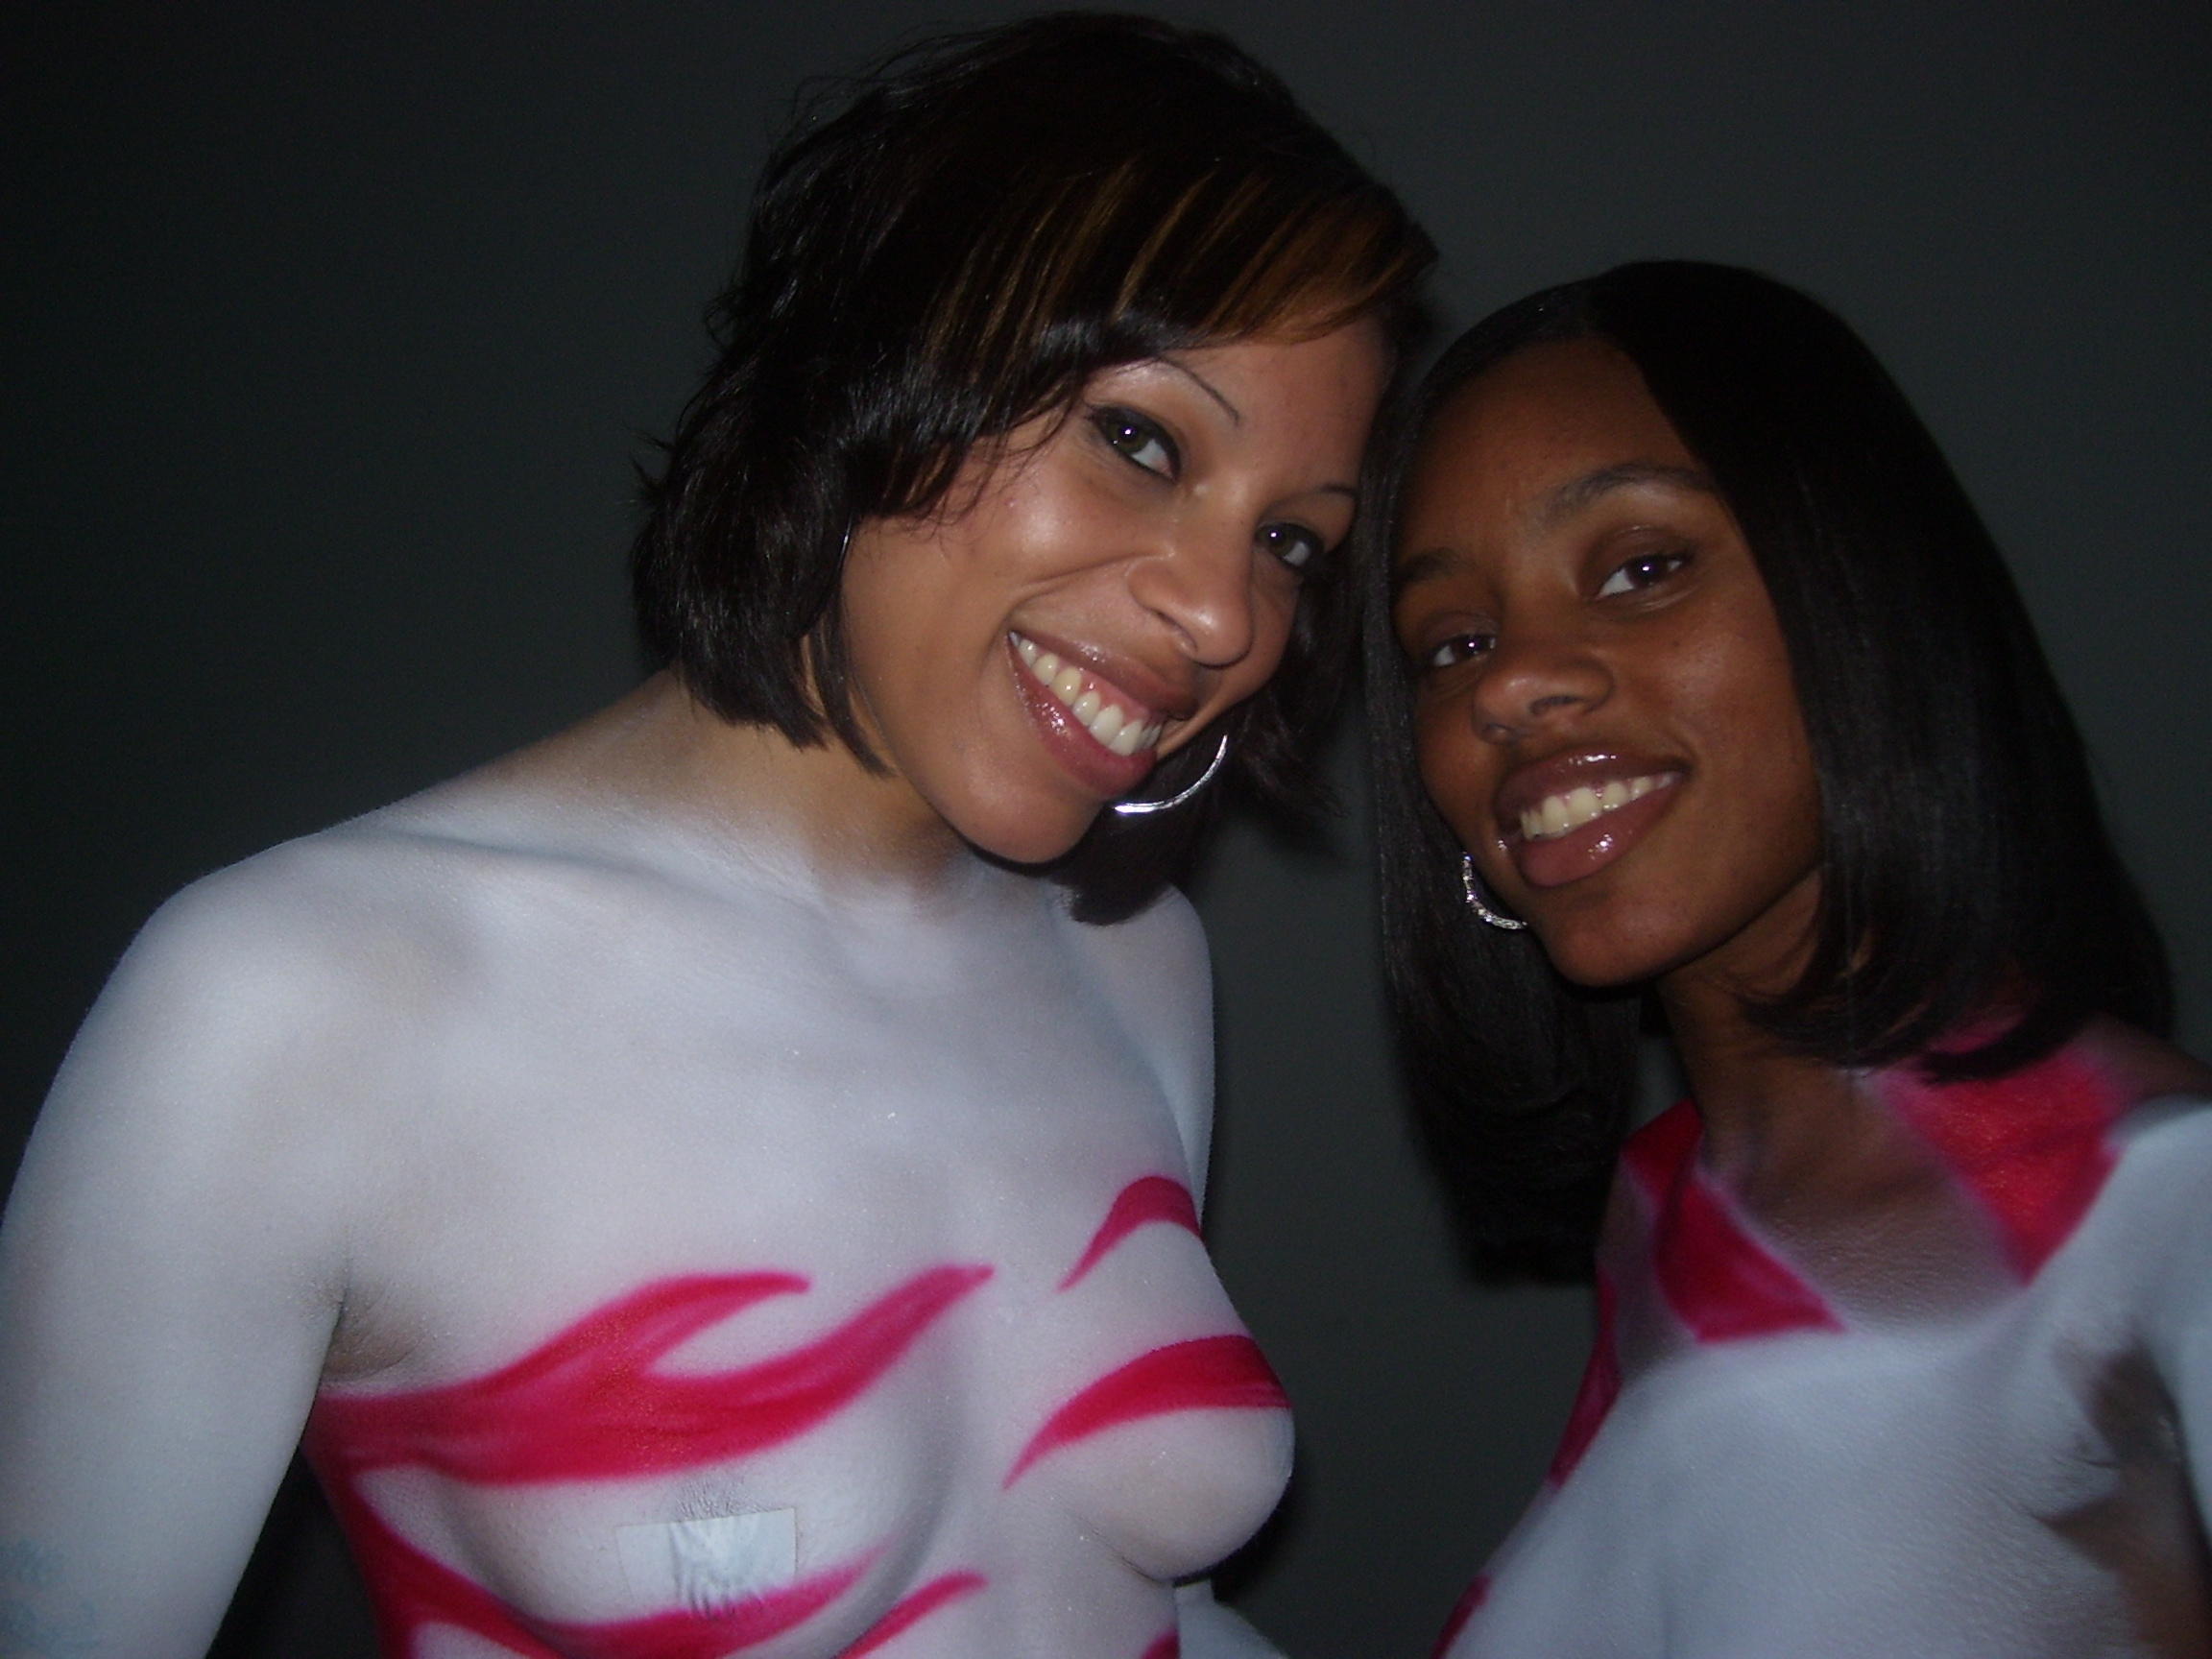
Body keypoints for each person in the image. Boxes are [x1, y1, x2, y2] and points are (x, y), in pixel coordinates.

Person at [0, 16, 1431, 1657]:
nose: (1225, 616)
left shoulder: (1137, 965)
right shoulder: (298, 1000)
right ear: (883, 347)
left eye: (1291, 543)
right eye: (1142, 439)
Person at [1367, 260, 2212, 1657]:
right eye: (1452, 641)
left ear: (1862, 597)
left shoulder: (2168, 1205)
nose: (1506, 683)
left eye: (1642, 567)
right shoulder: (1666, 1210)